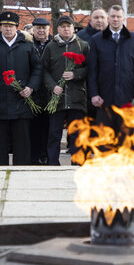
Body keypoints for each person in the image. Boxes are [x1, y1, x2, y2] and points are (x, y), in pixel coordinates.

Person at [0, 11, 42, 165]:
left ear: (16, 28)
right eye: (5, 26)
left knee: (21, 138)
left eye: (11, 26)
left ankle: (22, 167)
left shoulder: (27, 46)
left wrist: (31, 87)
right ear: (0, 27)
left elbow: (37, 69)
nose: (8, 29)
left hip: (22, 100)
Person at [87, 4, 134, 133]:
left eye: (118, 16)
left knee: (126, 139)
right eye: (112, 16)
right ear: (108, 17)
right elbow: (92, 71)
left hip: (127, 98)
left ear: (124, 18)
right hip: (104, 98)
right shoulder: (97, 40)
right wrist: (94, 94)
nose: (115, 19)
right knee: (105, 140)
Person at [41, 15, 90, 165]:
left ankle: (77, 164)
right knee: (54, 134)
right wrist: (52, 86)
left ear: (73, 28)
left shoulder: (83, 45)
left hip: (77, 98)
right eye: (62, 26)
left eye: (68, 26)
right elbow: (44, 70)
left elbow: (89, 69)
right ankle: (53, 164)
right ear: (58, 29)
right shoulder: (51, 46)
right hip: (57, 99)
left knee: (76, 134)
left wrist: (76, 74)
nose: (66, 29)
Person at [30, 17, 52, 164]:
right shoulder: (28, 44)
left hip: (50, 93)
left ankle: (46, 155)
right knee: (34, 128)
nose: (41, 31)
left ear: (49, 29)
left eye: (44, 28)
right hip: (33, 94)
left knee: (49, 128)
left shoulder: (54, 44)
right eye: (38, 28)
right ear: (33, 30)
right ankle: (35, 156)